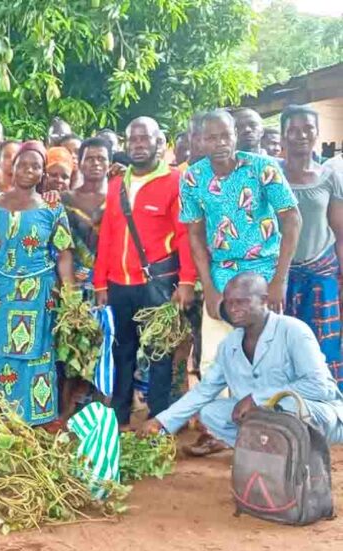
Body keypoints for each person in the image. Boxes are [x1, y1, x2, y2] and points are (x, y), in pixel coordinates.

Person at [180, 109, 301, 455]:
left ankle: (268, 432)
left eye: (224, 136)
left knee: (268, 357)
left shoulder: (262, 168)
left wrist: (279, 279)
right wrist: (209, 287)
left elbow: (291, 220)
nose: (219, 144)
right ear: (199, 141)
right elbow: (195, 234)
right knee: (213, 359)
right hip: (221, 276)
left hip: (263, 275)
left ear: (235, 135)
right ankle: (222, 431)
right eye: (210, 137)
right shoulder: (193, 177)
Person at [142, 273, 343, 446]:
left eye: (242, 302)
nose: (234, 309)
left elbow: (320, 387)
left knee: (286, 406)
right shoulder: (229, 345)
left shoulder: (294, 331)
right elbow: (204, 391)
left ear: (264, 300)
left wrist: (258, 398)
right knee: (210, 412)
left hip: (316, 416)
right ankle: (261, 451)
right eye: (229, 303)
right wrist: (161, 421)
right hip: (269, 421)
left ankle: (294, 454)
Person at [93, 117, 197, 428]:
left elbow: (184, 235)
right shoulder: (115, 185)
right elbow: (107, 236)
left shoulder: (175, 182)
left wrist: (188, 281)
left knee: (159, 355)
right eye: (132, 139)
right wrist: (100, 283)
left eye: (144, 138)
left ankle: (159, 421)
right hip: (118, 285)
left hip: (157, 284)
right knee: (121, 351)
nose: (138, 144)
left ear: (159, 143)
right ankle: (120, 416)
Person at [0, 141, 74, 425]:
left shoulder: (52, 207)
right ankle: (2, 417)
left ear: (42, 172)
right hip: (0, 291)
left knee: (37, 353)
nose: (29, 170)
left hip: (39, 292)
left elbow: (64, 253)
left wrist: (69, 295)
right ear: (13, 167)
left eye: (36, 166)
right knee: (0, 352)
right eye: (23, 164)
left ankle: (37, 418)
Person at [280, 105, 343, 388]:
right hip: (281, 276)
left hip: (322, 274)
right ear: (282, 136)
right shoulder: (269, 174)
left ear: (317, 133)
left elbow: (339, 233)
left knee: (325, 346)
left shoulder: (330, 177)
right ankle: (288, 410)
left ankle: (327, 408)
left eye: (308, 128)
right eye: (293, 130)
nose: (301, 135)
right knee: (283, 347)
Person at [62, 137, 111, 291]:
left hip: (113, 282)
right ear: (80, 164)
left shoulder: (120, 198)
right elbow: (61, 247)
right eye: (89, 158)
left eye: (101, 158)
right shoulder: (65, 200)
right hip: (72, 281)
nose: (96, 163)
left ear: (109, 164)